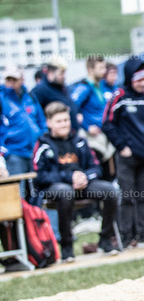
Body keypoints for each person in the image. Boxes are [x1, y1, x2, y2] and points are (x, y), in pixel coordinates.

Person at [33, 102, 119, 262]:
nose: (64, 124)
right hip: (54, 188)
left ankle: (106, 238)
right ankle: (67, 246)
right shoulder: (43, 144)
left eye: (66, 120)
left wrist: (85, 177)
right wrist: (69, 177)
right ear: (49, 123)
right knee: (65, 192)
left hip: (82, 185)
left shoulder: (80, 140)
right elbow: (40, 176)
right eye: (59, 121)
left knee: (111, 191)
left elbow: (96, 168)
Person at [103, 58, 144, 248]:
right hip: (127, 157)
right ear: (130, 78)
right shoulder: (119, 96)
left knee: (143, 196)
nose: (142, 83)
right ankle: (126, 236)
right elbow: (107, 124)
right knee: (127, 197)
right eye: (138, 79)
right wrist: (122, 147)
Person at [71, 55, 116, 180]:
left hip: (103, 135)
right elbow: (72, 107)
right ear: (90, 69)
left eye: (104, 68)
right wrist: (86, 126)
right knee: (96, 171)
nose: (104, 71)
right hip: (91, 139)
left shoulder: (100, 86)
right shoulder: (84, 87)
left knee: (108, 171)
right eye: (100, 68)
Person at [0, 65, 46, 178]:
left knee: (36, 184)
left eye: (14, 79)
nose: (11, 82)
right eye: (8, 79)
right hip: (14, 152)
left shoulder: (30, 96)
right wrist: (4, 150)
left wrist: (44, 138)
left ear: (22, 79)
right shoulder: (2, 98)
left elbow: (41, 120)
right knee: (18, 185)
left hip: (35, 150)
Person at [31, 55, 80, 132]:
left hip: (70, 133)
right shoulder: (40, 90)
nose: (64, 76)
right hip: (55, 135)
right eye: (61, 73)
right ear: (51, 73)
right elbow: (35, 115)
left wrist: (78, 112)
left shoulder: (61, 86)